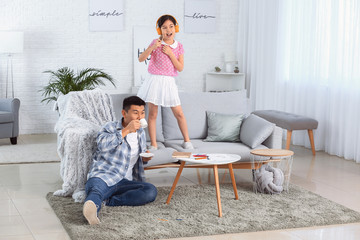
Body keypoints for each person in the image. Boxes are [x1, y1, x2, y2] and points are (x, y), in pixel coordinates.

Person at [83, 96, 157, 225]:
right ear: (124, 113)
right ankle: (93, 209)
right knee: (96, 190)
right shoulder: (110, 127)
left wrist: (145, 158)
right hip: (104, 175)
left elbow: (136, 156)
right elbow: (102, 145)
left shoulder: (141, 133)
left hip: (125, 181)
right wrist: (126, 130)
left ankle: (107, 201)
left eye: (142, 112)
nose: (140, 117)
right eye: (135, 113)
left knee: (150, 191)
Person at [137, 14, 194, 150]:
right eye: (164, 27)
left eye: (171, 26)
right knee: (153, 114)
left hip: (169, 82)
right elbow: (141, 59)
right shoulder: (155, 43)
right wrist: (152, 48)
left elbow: (180, 68)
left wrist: (170, 53)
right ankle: (154, 144)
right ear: (159, 30)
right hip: (154, 80)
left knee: (179, 113)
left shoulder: (178, 46)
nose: (168, 30)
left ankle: (187, 141)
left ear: (176, 28)